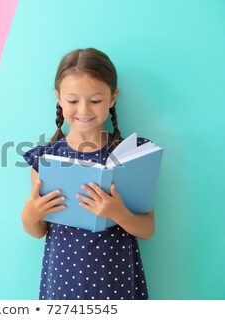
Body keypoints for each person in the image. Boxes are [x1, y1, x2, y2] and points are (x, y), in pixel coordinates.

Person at [21, 48, 155, 300]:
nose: (84, 110)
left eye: (95, 100)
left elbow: (147, 229)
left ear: (113, 97)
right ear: (58, 98)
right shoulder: (46, 160)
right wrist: (29, 215)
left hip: (115, 278)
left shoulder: (133, 155)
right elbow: (37, 230)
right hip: (62, 279)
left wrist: (118, 213)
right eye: (73, 101)